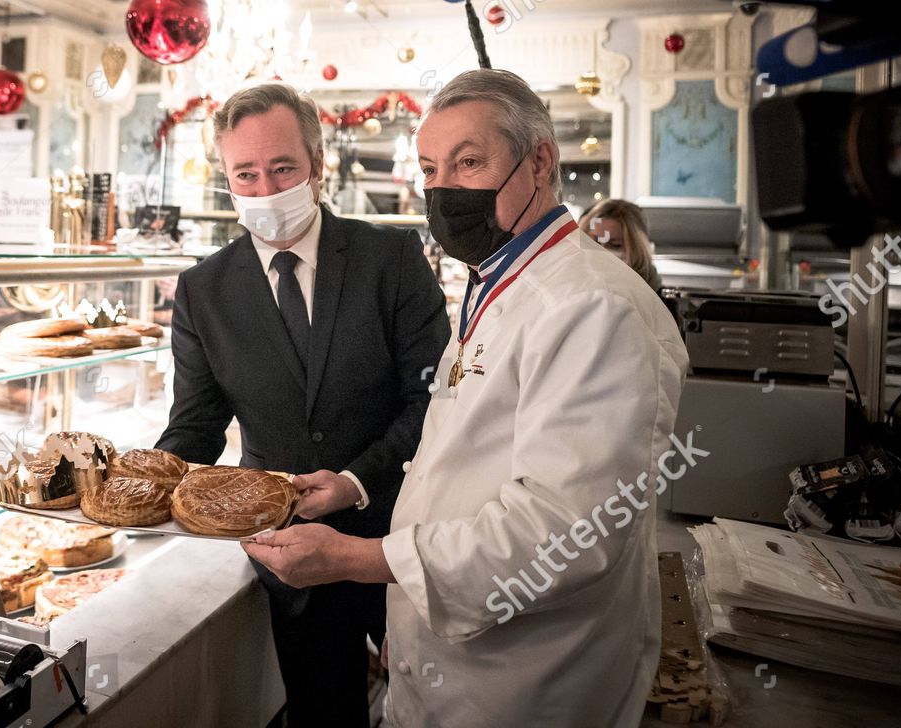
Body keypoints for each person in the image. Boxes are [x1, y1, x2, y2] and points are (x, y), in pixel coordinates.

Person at [244, 69, 688, 728]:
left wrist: (355, 560)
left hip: (528, 683)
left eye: (469, 161)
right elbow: (457, 463)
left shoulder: (595, 306)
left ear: (539, 161)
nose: (444, 188)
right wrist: (411, 612)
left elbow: (565, 534)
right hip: (452, 655)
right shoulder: (499, 282)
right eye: (430, 169)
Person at [156, 81, 450, 728]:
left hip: (401, 536)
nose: (265, 189)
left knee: (437, 705)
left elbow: (434, 400)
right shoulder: (202, 292)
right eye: (247, 174)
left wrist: (353, 483)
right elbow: (196, 426)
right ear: (226, 178)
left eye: (282, 168)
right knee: (324, 714)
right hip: (288, 555)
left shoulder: (392, 260)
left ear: (317, 165)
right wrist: (144, 484)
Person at [581, 197, 664, 293]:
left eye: (615, 245)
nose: (601, 252)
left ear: (638, 249)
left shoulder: (655, 297)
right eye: (595, 242)